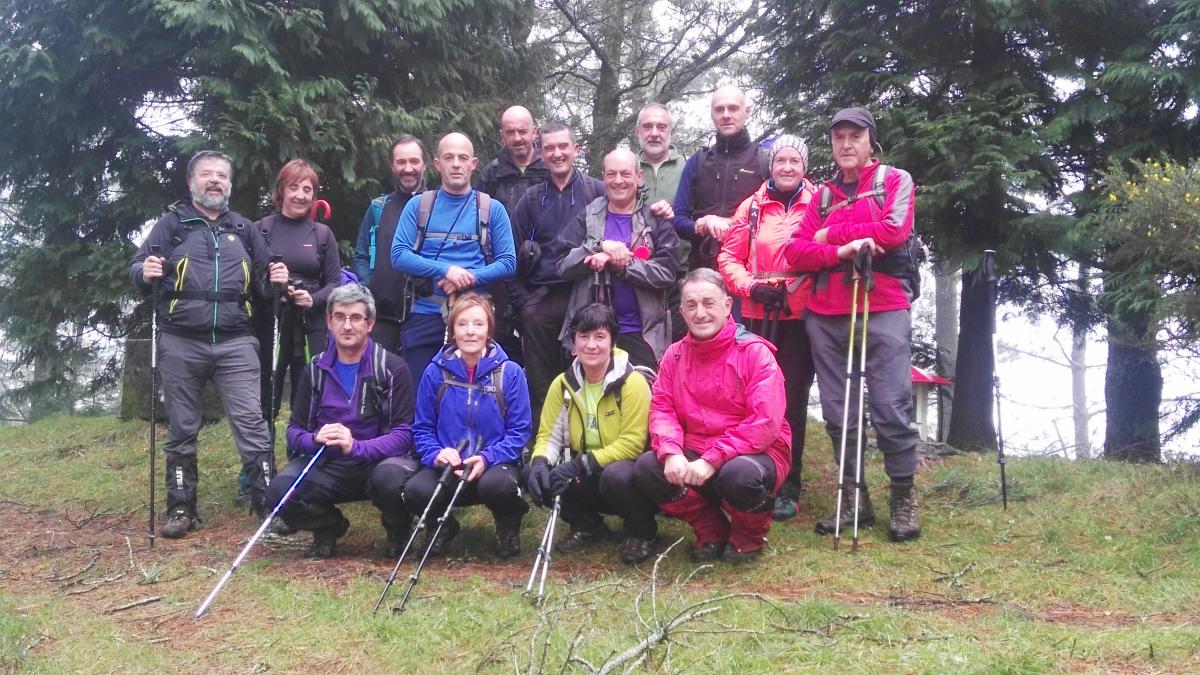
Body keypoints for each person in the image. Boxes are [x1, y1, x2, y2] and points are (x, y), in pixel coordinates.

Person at [130, 150, 288, 539]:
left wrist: (278, 280)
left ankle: (268, 506)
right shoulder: (171, 226)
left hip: (236, 342)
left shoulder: (246, 229)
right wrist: (143, 271)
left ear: (230, 184)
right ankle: (181, 509)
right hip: (180, 341)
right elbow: (138, 268)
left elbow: (265, 285)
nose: (214, 180)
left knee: (252, 423)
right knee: (182, 427)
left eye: (222, 175)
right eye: (206, 174)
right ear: (191, 182)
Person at [782, 106, 922, 542]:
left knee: (890, 406)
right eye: (838, 137)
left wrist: (829, 234)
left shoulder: (895, 181)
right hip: (827, 313)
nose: (846, 144)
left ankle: (903, 498)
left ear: (870, 141)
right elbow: (796, 252)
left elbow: (893, 232)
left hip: (883, 306)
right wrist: (843, 247)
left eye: (854, 136)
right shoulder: (822, 195)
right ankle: (852, 496)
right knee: (839, 414)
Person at [633, 268, 791, 563]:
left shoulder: (755, 353)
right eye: (691, 305)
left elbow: (764, 423)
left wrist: (712, 458)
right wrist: (670, 452)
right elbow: (662, 408)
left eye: (709, 303)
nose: (700, 313)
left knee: (739, 476)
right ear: (681, 310)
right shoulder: (674, 355)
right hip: (699, 449)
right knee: (647, 468)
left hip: (755, 452)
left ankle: (747, 537)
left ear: (728, 306)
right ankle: (711, 530)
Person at [265, 285, 417, 558]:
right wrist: (314, 439)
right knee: (278, 492)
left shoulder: (393, 368)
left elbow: (403, 434)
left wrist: (356, 447)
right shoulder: (315, 369)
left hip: (378, 461)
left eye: (356, 317)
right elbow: (294, 431)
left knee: (392, 479)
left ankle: (398, 528)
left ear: (370, 323)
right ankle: (328, 526)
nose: (347, 325)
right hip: (329, 463)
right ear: (328, 322)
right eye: (339, 317)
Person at [716, 135, 818, 521]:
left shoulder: (819, 203)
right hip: (758, 313)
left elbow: (820, 253)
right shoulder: (753, 206)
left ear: (804, 165)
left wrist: (795, 289)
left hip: (800, 317)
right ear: (770, 165)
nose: (787, 167)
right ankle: (749, 475)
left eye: (795, 160)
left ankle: (788, 483)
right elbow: (729, 256)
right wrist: (752, 287)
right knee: (750, 397)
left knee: (790, 398)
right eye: (781, 161)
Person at [526, 304, 658, 565]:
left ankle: (642, 531)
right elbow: (548, 437)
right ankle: (587, 524)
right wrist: (540, 462)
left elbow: (632, 444)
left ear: (612, 342)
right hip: (587, 472)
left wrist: (578, 464)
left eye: (600, 337)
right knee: (536, 473)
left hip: (629, 475)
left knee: (615, 475)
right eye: (583, 337)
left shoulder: (632, 383)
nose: (591, 345)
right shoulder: (562, 384)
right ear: (573, 344)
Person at [404, 294, 533, 558]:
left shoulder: (510, 372)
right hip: (449, 465)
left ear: (489, 330)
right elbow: (422, 428)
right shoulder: (434, 372)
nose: (470, 331)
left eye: (478, 324)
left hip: (494, 464)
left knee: (499, 487)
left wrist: (488, 457)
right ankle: (441, 525)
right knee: (415, 490)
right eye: (462, 324)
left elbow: (520, 431)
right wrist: (436, 454)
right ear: (452, 331)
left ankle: (508, 524)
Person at [390, 132, 517, 380]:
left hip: (475, 318)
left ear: (473, 163)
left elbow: (508, 262)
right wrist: (446, 271)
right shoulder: (418, 206)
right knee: (421, 396)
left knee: (473, 396)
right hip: (425, 314)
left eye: (463, 157)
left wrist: (469, 278)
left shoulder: (493, 209)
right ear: (437, 164)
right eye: (449, 157)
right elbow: (398, 255)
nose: (456, 164)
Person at [509, 121, 605, 421]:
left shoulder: (596, 191)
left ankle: (587, 444)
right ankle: (543, 447)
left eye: (563, 146)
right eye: (549, 148)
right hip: (542, 299)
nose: (557, 153)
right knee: (543, 382)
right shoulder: (532, 199)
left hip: (588, 294)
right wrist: (525, 304)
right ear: (541, 152)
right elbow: (509, 256)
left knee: (589, 376)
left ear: (576, 149)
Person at [556, 148, 680, 368]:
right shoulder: (589, 215)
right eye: (611, 174)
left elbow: (667, 272)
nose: (618, 181)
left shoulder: (655, 219)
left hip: (642, 333)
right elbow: (562, 264)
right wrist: (597, 247)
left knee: (641, 398)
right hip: (592, 333)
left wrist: (620, 264)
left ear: (638, 176)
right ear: (603, 177)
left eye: (625, 173)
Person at [254, 159, 341, 422]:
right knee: (267, 392)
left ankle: (302, 451)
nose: (300, 195)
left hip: (310, 324)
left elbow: (335, 283)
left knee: (310, 391)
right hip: (272, 322)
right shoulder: (261, 230)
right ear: (281, 191)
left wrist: (312, 299)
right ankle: (261, 458)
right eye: (294, 188)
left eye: (307, 189)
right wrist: (273, 288)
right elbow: (249, 280)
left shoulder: (322, 234)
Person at [651, 86, 769, 273]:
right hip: (702, 269)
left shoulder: (764, 162)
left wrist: (729, 223)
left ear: (746, 112)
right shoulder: (697, 162)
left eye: (733, 108)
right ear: (712, 115)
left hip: (749, 272)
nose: (726, 115)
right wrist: (701, 225)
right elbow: (678, 219)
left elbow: (777, 221)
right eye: (719, 109)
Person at [478, 105, 550, 364]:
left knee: (542, 347)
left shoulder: (549, 169)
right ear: (502, 136)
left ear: (535, 132)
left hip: (543, 271)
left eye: (523, 130)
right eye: (511, 132)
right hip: (502, 273)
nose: (518, 137)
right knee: (503, 343)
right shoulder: (491, 174)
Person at [352, 135, 429, 351]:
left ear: (425, 163)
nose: (408, 168)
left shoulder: (438, 205)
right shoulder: (379, 208)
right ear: (392, 166)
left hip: (424, 318)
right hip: (382, 320)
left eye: (414, 161)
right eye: (401, 162)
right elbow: (360, 256)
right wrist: (372, 286)